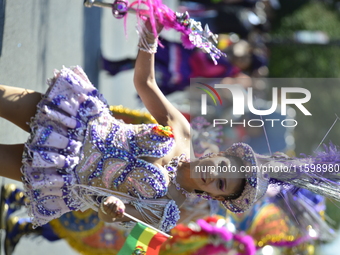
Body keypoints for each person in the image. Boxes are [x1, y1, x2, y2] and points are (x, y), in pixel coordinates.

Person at [0, 11, 340, 237]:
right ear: (220, 155)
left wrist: (113, 212)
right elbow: (145, 83)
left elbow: (114, 219)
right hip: (73, 121)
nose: (214, 176)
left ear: (215, 196)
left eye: (221, 184)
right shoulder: (182, 132)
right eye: (222, 169)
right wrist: (151, 32)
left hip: (61, 175)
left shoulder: (167, 211)